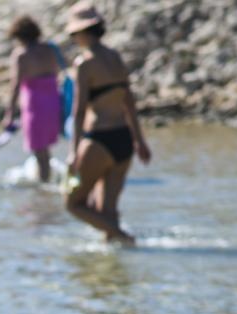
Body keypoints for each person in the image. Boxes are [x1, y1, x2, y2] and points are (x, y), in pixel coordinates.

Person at [65, 3, 150, 245]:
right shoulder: (115, 57)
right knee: (107, 211)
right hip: (124, 138)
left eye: (73, 34)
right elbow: (129, 102)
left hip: (99, 139)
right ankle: (110, 275)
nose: (73, 38)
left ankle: (124, 238)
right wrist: (139, 141)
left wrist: (73, 152)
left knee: (73, 204)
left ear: (82, 32)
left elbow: (79, 111)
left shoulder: (84, 63)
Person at [1, 16, 66, 182]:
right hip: (53, 100)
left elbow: (15, 85)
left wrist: (9, 114)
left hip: (34, 104)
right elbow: (60, 71)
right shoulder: (50, 49)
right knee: (46, 149)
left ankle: (43, 188)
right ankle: (47, 180)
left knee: (39, 151)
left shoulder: (21, 54)